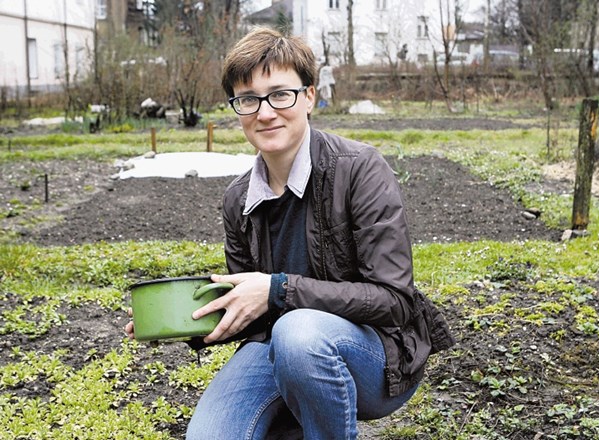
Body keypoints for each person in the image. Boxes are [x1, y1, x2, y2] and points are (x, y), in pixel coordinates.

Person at [126, 26, 453, 440]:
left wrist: (278, 290)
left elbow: (394, 302)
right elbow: (254, 310)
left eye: (280, 94)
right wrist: (179, 322)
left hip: (376, 354)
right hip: (280, 345)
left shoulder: (359, 170)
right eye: (248, 99)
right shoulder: (238, 199)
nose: (265, 112)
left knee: (298, 334)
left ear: (310, 97)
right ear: (237, 108)